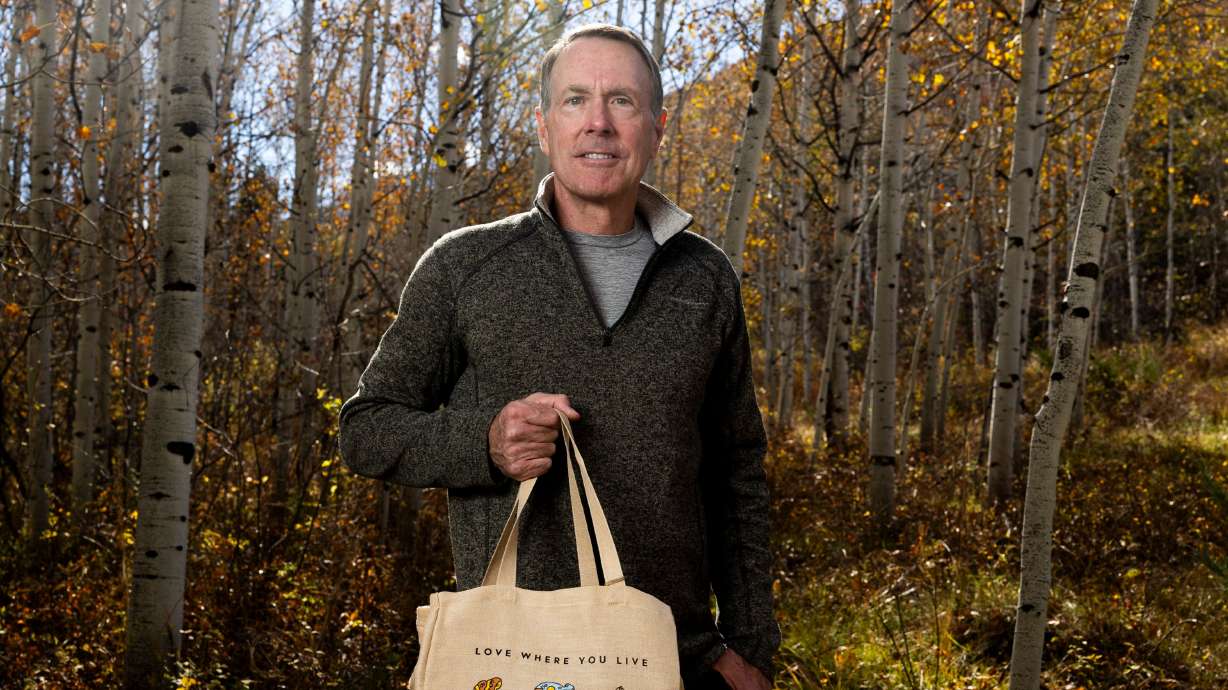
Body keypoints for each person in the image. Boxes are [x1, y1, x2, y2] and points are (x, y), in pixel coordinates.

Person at [338, 23, 779, 690]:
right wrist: (485, 441)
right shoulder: (465, 266)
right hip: (509, 663)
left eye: (622, 101)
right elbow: (365, 429)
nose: (598, 122)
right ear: (545, 128)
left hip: (673, 664)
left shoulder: (705, 278)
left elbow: (735, 470)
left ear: (657, 128)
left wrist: (750, 648)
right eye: (576, 100)